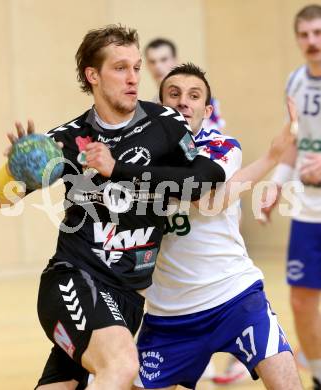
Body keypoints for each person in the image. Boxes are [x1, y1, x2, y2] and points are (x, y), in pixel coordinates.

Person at [0, 26, 227, 390]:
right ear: (93, 75)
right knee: (120, 365)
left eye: (135, 67)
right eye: (120, 68)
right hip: (74, 279)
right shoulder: (67, 141)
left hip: (127, 298)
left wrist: (120, 170)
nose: (133, 78)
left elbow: (207, 176)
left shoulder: (165, 123)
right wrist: (14, 169)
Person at [133, 63, 302, 390]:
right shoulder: (139, 154)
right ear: (160, 105)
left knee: (286, 380)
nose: (184, 101)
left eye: (194, 96)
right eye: (174, 94)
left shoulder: (221, 146)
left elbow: (208, 199)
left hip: (234, 296)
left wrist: (272, 156)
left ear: (206, 110)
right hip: (169, 312)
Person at [261, 4, 321, 390]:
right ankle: (318, 374)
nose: (312, 42)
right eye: (304, 35)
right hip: (308, 208)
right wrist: (277, 182)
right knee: (301, 300)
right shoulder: (296, 81)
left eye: (318, 33)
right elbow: (295, 142)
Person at [144, 38, 225, 131]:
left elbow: (217, 136)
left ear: (176, 60)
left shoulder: (203, 101)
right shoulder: (152, 105)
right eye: (152, 61)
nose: (157, 66)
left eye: (163, 59)